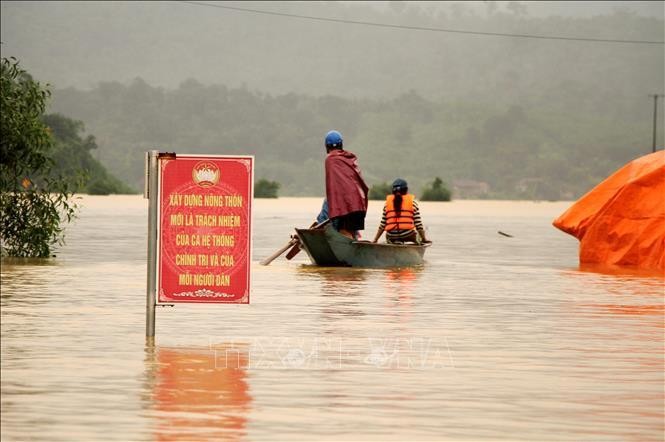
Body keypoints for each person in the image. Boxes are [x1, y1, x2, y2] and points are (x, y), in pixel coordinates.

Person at [319, 130, 369, 239]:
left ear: (326, 146)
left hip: (347, 206)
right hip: (359, 204)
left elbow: (333, 188)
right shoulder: (349, 158)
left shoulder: (330, 159)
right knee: (350, 232)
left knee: (344, 232)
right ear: (341, 144)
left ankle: (350, 252)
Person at [372, 178, 431, 244]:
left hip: (391, 236)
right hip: (408, 235)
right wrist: (424, 239)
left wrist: (375, 239)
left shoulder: (387, 204)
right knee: (418, 237)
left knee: (389, 236)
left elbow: (382, 225)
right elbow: (418, 224)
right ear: (406, 190)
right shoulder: (413, 203)